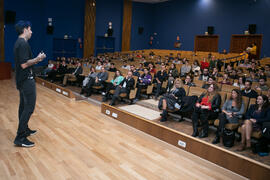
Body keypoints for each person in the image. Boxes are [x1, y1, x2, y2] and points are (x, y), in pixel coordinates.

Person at [13, 20, 46, 147]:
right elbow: (24, 64)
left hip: (22, 79)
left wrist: (36, 59)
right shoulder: (22, 43)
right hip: (26, 80)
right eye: (30, 29)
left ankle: (25, 129)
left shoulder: (19, 43)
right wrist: (38, 58)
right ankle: (20, 137)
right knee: (29, 107)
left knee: (23, 106)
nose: (32, 32)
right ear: (25, 29)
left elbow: (25, 62)